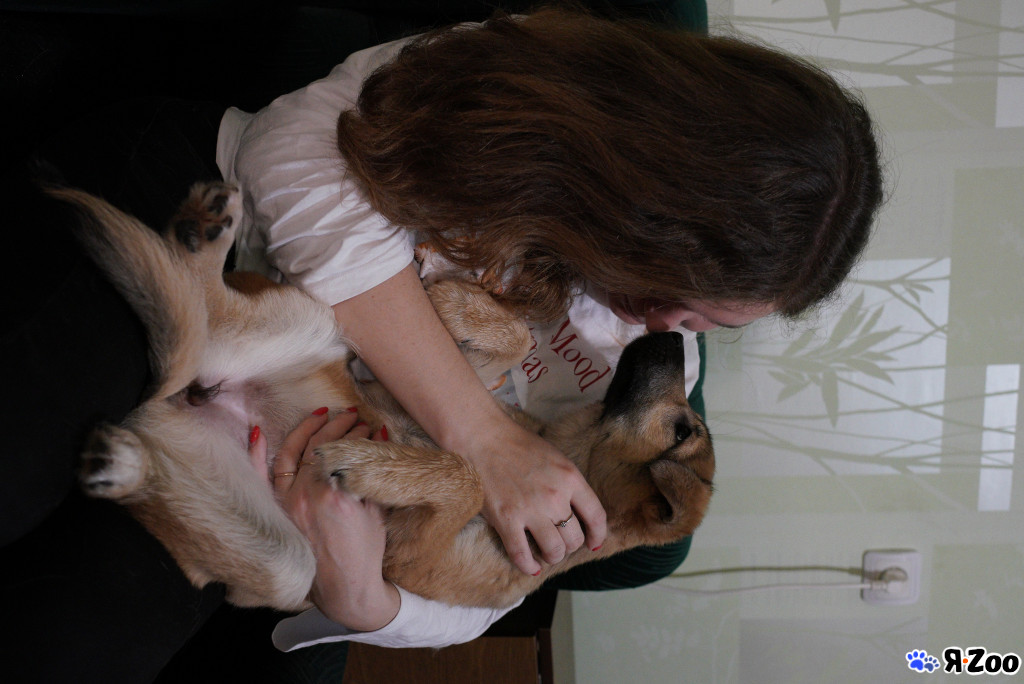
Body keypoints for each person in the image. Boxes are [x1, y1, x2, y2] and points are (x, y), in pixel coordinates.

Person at [0, 4, 883, 680]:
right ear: (656, 204)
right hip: (223, 228)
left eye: (706, 326)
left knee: (75, 644)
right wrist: (483, 436)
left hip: (279, 453)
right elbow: (286, 155)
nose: (669, 332)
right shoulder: (525, 87)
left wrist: (362, 596)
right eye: (683, 295)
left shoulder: (649, 368)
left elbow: (491, 588)